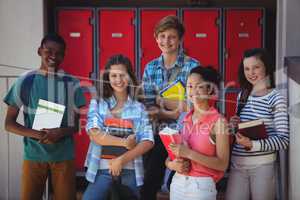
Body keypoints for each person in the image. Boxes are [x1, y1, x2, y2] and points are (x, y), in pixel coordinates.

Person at [3, 33, 86, 200]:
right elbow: (9, 124)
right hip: (34, 155)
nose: (54, 56)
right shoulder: (25, 81)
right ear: (39, 51)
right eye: (49, 51)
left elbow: (78, 124)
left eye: (59, 53)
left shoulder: (72, 83)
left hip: (63, 156)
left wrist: (60, 132)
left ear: (64, 55)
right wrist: (39, 134)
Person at [141, 15, 199, 200]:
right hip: (156, 133)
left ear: (180, 39)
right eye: (162, 36)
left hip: (184, 135)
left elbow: (194, 105)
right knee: (149, 183)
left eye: (172, 37)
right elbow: (147, 104)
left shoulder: (193, 66)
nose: (166, 41)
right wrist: (173, 109)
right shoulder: (150, 67)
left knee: (179, 184)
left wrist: (162, 104)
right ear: (156, 37)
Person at [83, 54, 154, 200]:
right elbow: (94, 134)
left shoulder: (139, 107)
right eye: (113, 75)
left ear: (130, 77)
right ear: (108, 78)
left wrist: (120, 160)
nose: (118, 80)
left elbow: (147, 141)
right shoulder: (98, 103)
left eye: (122, 75)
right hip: (101, 169)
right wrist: (124, 142)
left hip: (130, 171)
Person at [225, 48, 289, 200]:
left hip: (263, 167)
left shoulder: (276, 98)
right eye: (247, 68)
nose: (251, 72)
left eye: (256, 67)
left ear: (266, 66)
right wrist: (234, 125)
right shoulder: (243, 94)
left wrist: (252, 144)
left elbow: (283, 140)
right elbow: (239, 131)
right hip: (237, 165)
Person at [166, 66, 230, 200]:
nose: (193, 91)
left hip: (201, 187)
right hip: (178, 183)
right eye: (189, 86)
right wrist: (172, 165)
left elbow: (223, 164)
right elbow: (171, 155)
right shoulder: (184, 118)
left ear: (209, 89)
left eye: (199, 86)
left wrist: (189, 153)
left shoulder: (219, 122)